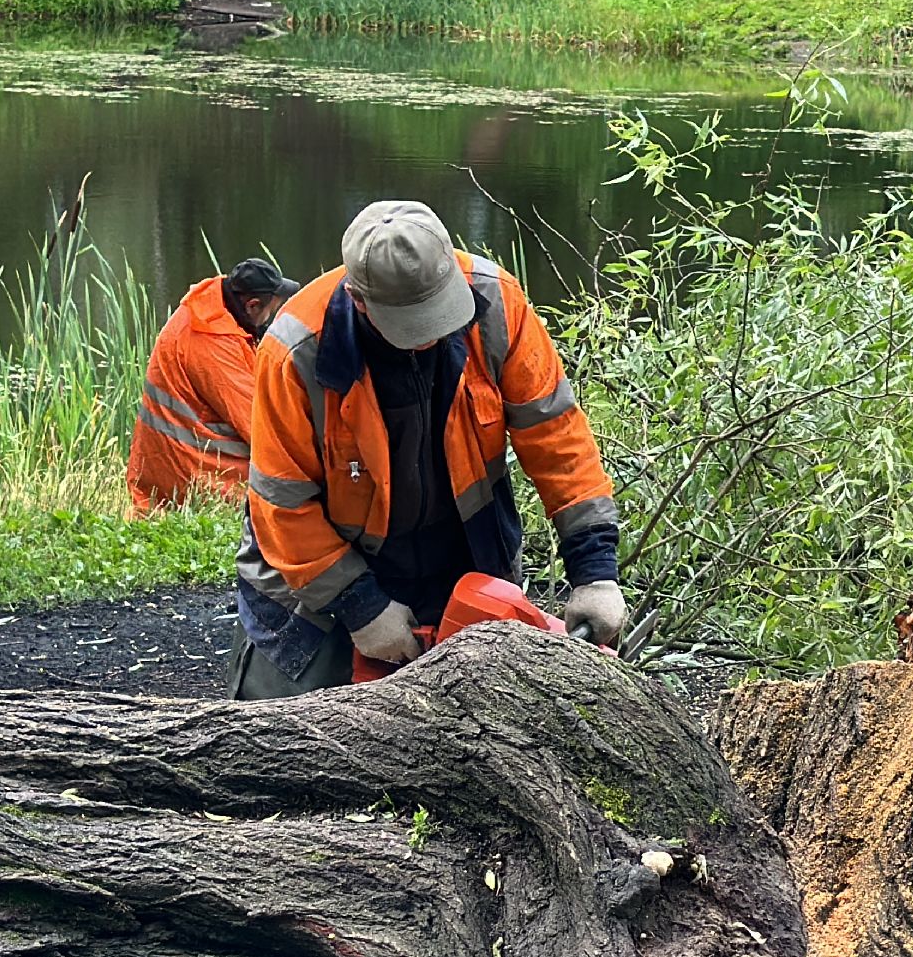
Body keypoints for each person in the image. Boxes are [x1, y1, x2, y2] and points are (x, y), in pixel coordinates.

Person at [229, 200, 623, 699]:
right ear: (359, 299)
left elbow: (556, 436)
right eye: (409, 325)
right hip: (317, 571)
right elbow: (283, 504)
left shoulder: (498, 304)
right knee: (286, 741)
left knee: (482, 728)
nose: (428, 337)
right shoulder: (296, 351)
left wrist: (594, 570)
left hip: (461, 554)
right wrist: (359, 604)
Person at [126, 257, 301, 515]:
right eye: (269, 312)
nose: (269, 320)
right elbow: (262, 426)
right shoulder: (213, 346)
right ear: (252, 305)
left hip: (163, 467)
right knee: (296, 485)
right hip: (188, 475)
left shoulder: (209, 309)